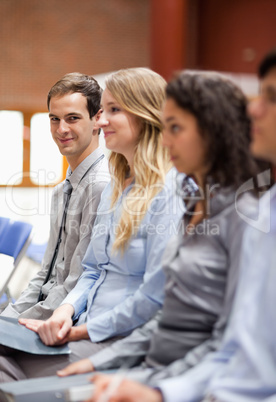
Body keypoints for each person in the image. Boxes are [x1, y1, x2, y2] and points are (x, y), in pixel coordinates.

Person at [57, 71, 261, 399]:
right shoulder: (195, 202)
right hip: (146, 358)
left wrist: (158, 389)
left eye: (175, 128)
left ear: (213, 132)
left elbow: (227, 342)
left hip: (157, 363)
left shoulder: (235, 214)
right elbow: (167, 315)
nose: (165, 140)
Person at [0, 67, 183, 382]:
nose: (101, 121)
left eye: (112, 111)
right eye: (102, 111)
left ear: (146, 114)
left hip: (118, 337)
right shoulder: (116, 186)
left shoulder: (169, 192)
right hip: (85, 325)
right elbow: (92, 270)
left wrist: (79, 328)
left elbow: (153, 298)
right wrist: (63, 313)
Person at [1, 72, 110, 320]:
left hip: (65, 318)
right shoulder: (62, 190)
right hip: (43, 310)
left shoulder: (100, 187)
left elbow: (76, 283)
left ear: (97, 119)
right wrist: (9, 317)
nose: (61, 129)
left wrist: (18, 324)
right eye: (54, 119)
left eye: (72, 118)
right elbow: (45, 274)